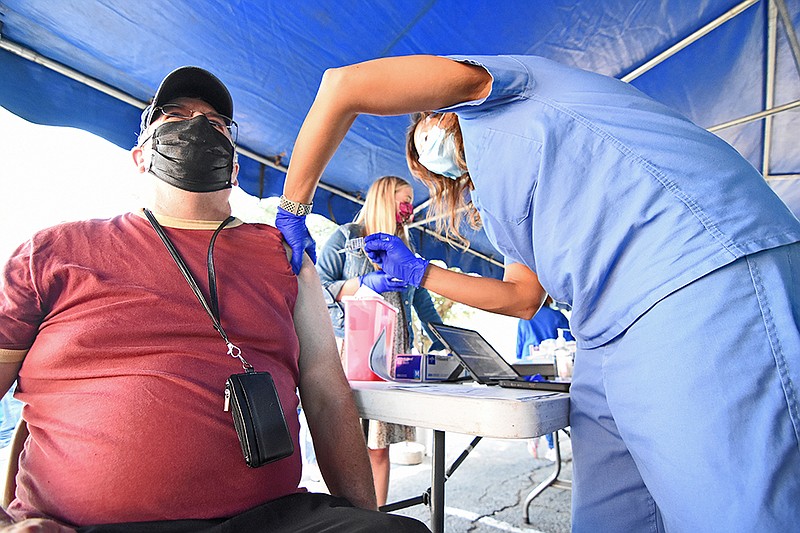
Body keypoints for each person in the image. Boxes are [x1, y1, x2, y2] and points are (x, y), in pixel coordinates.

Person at [277, 54, 800, 532]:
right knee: (611, 517)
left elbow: (341, 85)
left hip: (688, 274)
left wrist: (293, 209)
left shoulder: (499, 87)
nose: (428, 144)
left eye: (426, 122)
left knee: (734, 511)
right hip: (601, 329)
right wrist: (420, 273)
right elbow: (523, 298)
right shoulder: (499, 196)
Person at [0, 66, 429, 533]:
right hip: (78, 525)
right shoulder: (53, 252)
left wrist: (363, 517)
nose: (198, 125)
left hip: (269, 519)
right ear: (140, 156)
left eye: (217, 123)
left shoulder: (285, 256)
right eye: (175, 116)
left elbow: (326, 392)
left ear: (235, 167)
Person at [315, 175, 444, 507]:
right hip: (352, 351)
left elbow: (423, 304)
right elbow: (317, 287)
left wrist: (447, 342)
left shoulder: (406, 249)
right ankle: (348, 520)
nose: (410, 209)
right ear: (384, 198)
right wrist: (363, 283)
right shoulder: (346, 238)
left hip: (393, 356)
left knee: (378, 446)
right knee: (346, 444)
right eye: (404, 200)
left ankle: (375, 518)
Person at [515, 296, 572, 361]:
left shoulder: (524, 318)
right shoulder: (557, 316)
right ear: (548, 298)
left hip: (528, 359)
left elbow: (519, 349)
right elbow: (569, 343)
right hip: (550, 360)